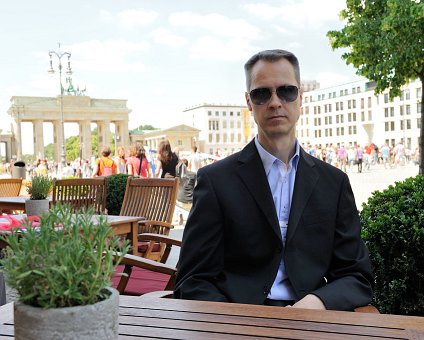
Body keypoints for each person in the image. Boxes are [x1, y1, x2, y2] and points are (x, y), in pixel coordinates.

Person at [174, 49, 373, 311]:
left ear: (301, 98)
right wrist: (239, 322)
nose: (275, 102)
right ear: (248, 102)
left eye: (286, 91)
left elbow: (356, 275)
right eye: (262, 93)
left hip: (312, 320)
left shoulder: (333, 183)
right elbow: (192, 279)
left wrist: (316, 303)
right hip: (239, 321)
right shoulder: (215, 181)